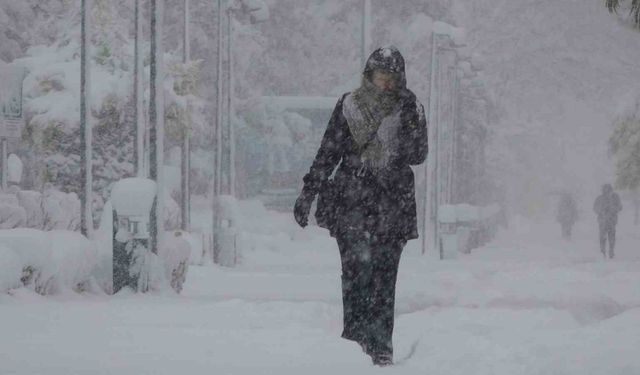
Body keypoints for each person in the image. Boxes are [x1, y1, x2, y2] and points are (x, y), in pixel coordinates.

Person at [293, 46, 428, 366]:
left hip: (393, 206)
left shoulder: (410, 107)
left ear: (400, 78)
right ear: (369, 75)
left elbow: (418, 155)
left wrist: (410, 120)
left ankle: (380, 347)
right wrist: (308, 192)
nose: (385, 83)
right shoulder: (349, 104)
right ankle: (353, 345)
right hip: (352, 203)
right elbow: (329, 151)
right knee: (355, 278)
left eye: (391, 77)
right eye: (380, 76)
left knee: (383, 280)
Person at [593, 184, 622, 258]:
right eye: (605, 189)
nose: (607, 191)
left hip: (610, 221)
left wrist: (612, 209)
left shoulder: (614, 197)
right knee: (604, 237)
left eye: (608, 189)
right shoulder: (600, 198)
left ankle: (610, 251)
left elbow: (620, 207)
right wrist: (602, 210)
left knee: (610, 237)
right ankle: (603, 252)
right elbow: (595, 208)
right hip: (604, 221)